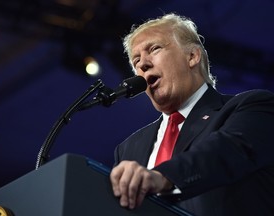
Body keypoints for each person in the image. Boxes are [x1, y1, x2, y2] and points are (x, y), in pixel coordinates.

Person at [109, 13, 274, 216]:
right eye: (136, 61)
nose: (142, 64)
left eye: (154, 49)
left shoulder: (251, 106)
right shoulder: (127, 149)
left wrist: (162, 177)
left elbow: (226, 150)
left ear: (192, 56)